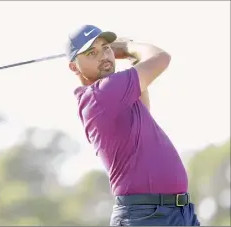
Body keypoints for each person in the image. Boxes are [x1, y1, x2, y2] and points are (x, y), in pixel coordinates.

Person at [65, 24, 200, 226]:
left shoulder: (116, 95)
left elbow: (144, 99)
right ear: (74, 67)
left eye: (106, 48)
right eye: (92, 53)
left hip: (177, 213)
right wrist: (128, 46)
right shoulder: (103, 94)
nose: (104, 57)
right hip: (145, 216)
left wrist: (129, 55)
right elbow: (161, 58)